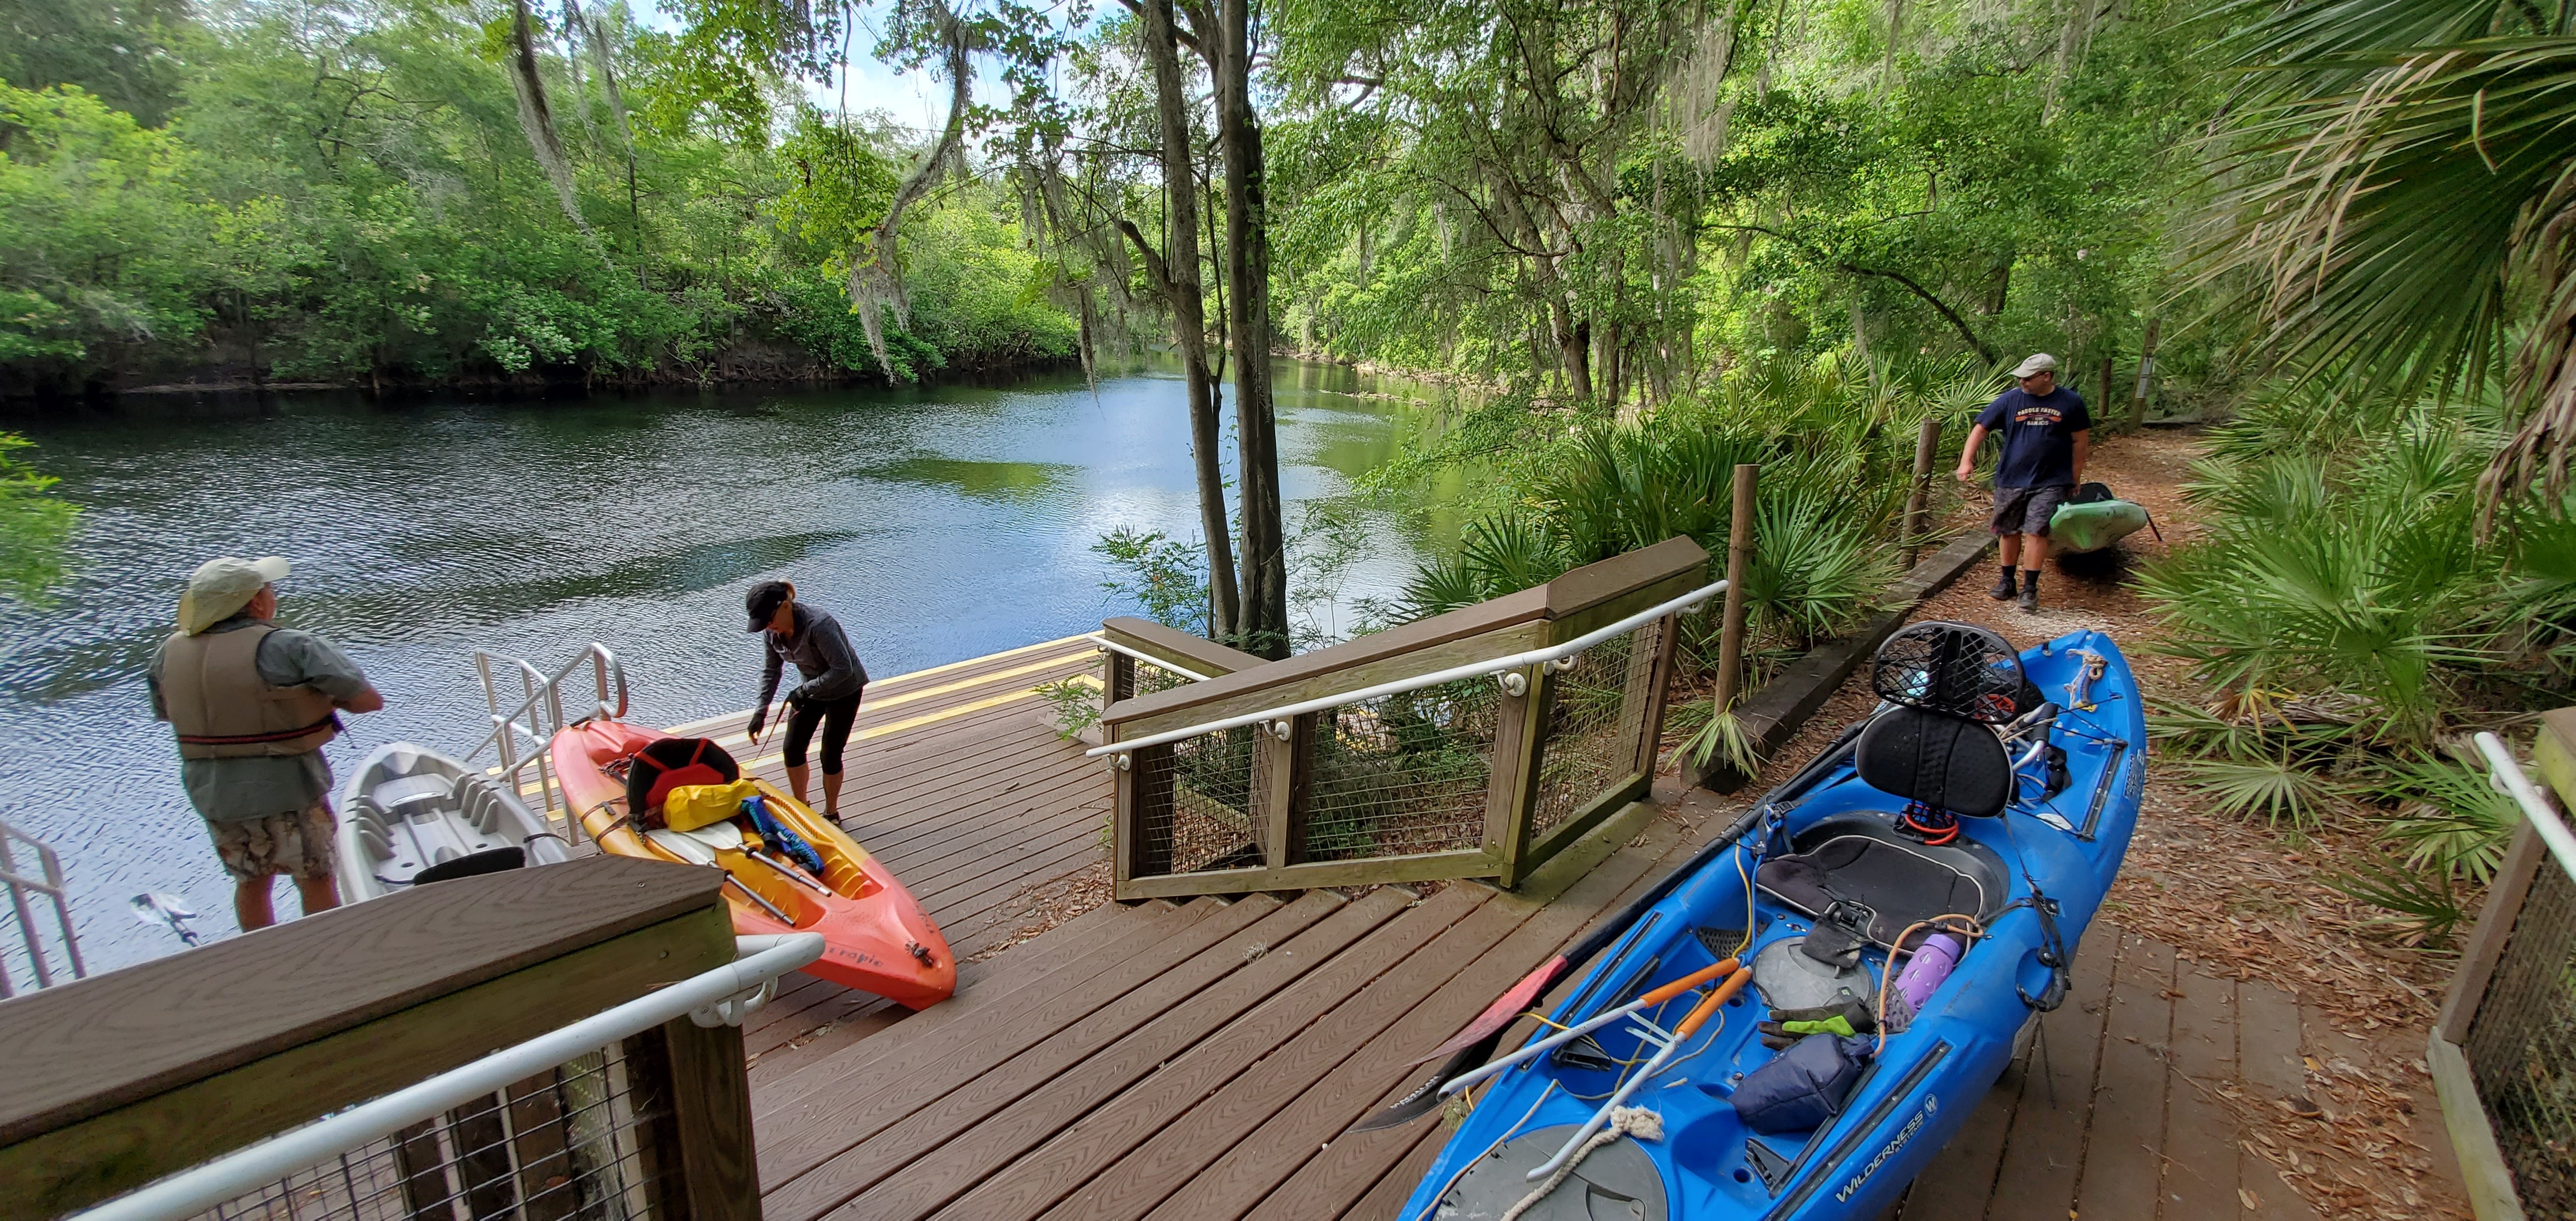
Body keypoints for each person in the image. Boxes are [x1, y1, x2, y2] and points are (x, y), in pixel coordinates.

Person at [149, 556, 383, 933]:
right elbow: (368, 701)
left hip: (217, 796)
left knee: (252, 881)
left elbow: (167, 711)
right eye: (269, 590)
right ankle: (329, 952)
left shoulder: (167, 653)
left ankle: (261, 958)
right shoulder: (291, 647)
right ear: (257, 603)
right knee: (315, 877)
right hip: (290, 789)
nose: (273, 596)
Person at [1955, 352, 2091, 613]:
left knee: (2037, 531)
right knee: (2008, 531)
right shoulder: (2010, 400)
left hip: (2051, 479)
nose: (2023, 382)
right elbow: (1980, 428)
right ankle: (2007, 581)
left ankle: (2030, 588)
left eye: (2028, 378)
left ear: (2047, 376)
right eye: (2021, 378)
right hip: (2011, 477)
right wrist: (1966, 461)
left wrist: (2075, 477)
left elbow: (2080, 442)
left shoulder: (2071, 402)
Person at [744, 580, 868, 818]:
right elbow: (771, 671)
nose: (768, 627)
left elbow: (843, 669)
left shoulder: (819, 625)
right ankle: (803, 810)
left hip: (845, 690)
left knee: (830, 754)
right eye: (763, 625)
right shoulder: (773, 632)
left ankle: (831, 812)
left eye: (769, 621)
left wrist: (804, 690)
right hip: (810, 690)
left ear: (786, 607)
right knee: (792, 749)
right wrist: (760, 712)